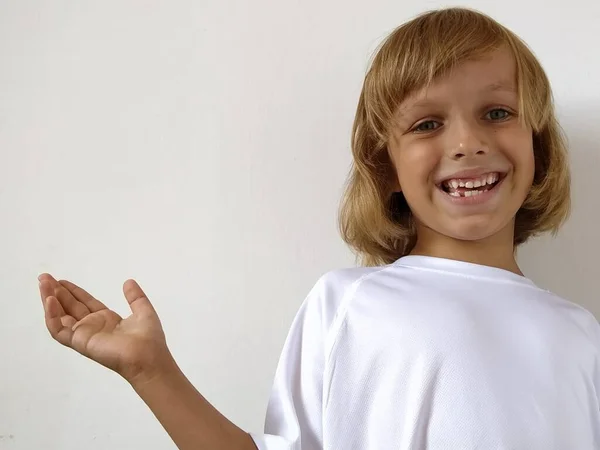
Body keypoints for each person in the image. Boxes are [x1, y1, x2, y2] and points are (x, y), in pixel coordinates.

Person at [38, 6, 600, 450]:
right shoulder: (350, 303)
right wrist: (151, 371)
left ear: (538, 144)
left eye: (497, 113)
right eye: (428, 124)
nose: (467, 143)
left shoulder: (582, 334)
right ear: (388, 168)